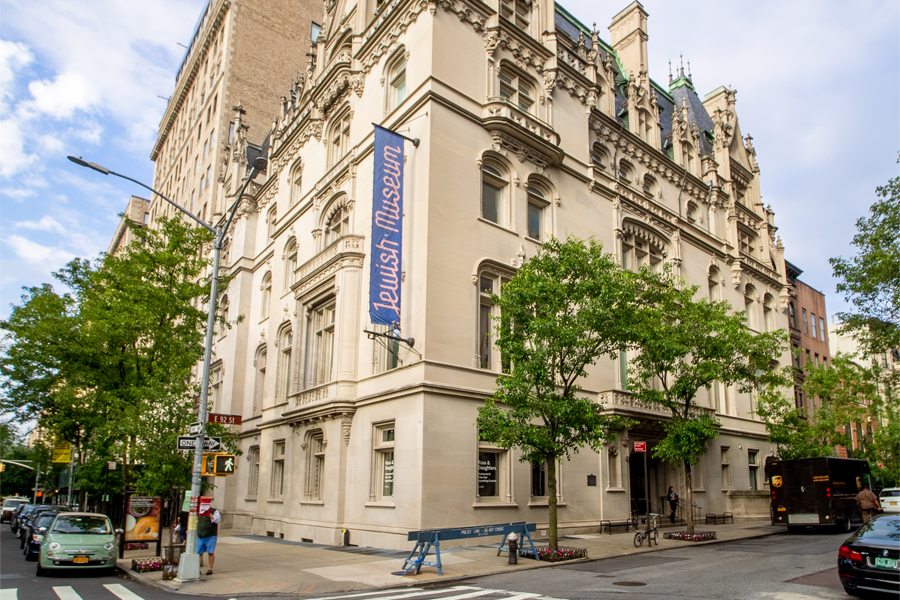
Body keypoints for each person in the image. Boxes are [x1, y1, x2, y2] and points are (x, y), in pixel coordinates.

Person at [197, 505, 221, 575]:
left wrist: (211, 516)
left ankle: (210, 568)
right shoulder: (199, 511)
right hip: (200, 535)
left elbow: (217, 520)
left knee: (210, 552)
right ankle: (198, 567)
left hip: (210, 535)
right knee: (198, 552)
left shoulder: (214, 511)